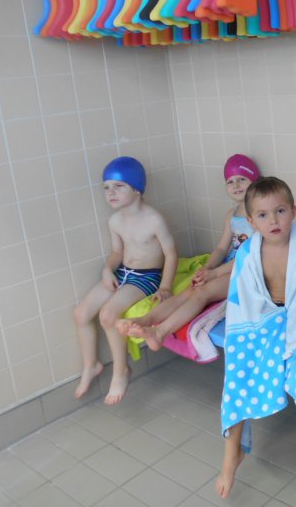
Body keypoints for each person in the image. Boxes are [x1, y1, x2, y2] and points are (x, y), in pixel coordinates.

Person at [215, 177, 296, 498]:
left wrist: (292, 347)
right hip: (264, 319)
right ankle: (232, 452)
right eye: (263, 214)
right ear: (250, 221)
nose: (273, 220)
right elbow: (244, 301)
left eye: (280, 211)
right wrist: (255, 336)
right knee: (239, 370)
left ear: (293, 212)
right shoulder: (247, 252)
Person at [116, 154, 260, 350]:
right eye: (230, 181)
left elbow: (250, 256)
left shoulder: (260, 215)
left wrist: (214, 274)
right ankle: (145, 320)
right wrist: (206, 268)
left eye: (242, 179)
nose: (236, 185)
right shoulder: (231, 215)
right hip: (227, 267)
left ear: (255, 180)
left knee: (202, 292)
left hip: (246, 271)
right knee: (188, 291)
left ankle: (160, 332)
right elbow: (221, 248)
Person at [73, 156, 178, 405]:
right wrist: (107, 270)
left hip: (147, 277)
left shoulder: (154, 219)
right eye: (106, 187)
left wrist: (165, 286)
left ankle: (121, 371)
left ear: (137, 188)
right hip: (123, 272)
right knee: (81, 314)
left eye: (118, 186)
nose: (110, 193)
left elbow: (171, 253)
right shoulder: (115, 220)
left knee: (108, 314)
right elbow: (117, 252)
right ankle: (91, 365)